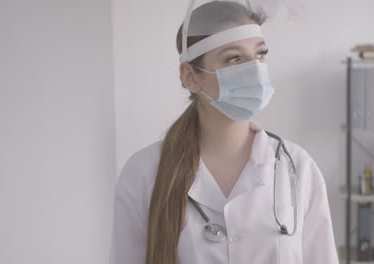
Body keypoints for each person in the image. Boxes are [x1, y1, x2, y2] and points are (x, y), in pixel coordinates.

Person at [109, 1, 339, 263]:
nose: (255, 69)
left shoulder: (297, 167)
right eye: (234, 58)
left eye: (260, 54)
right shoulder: (143, 173)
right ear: (190, 76)